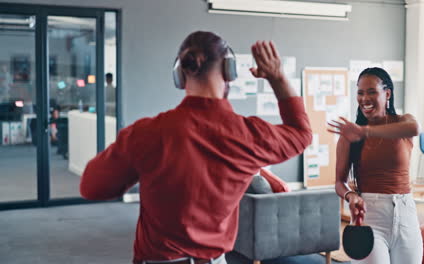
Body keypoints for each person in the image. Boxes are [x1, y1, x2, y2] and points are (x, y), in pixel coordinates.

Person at [80, 31, 312, 264]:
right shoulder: (249, 135)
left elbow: (92, 187)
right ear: (228, 71)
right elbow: (301, 134)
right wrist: (277, 78)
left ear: (180, 75)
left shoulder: (146, 133)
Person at [327, 67, 422, 264]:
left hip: (406, 215)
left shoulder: (403, 122)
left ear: (387, 94)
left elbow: (415, 128)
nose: (364, 98)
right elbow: (339, 182)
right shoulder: (350, 135)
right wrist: (350, 195)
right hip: (370, 216)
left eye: (371, 91)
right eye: (360, 93)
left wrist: (365, 131)